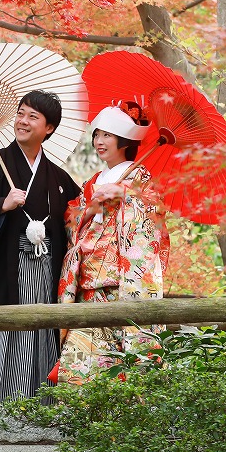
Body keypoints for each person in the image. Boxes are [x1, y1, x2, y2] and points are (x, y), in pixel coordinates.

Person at [0, 90, 82, 407]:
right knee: (6, 334)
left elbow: (76, 217)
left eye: (32, 117)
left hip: (45, 271)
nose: (22, 122)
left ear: (49, 128)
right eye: (21, 113)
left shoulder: (57, 177)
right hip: (6, 273)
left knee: (40, 331)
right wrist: (2, 203)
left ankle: (40, 410)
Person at [55, 104, 169, 382]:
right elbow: (72, 222)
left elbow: (154, 218)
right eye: (97, 135)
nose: (99, 142)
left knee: (129, 366)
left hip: (121, 283)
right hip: (88, 283)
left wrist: (126, 194)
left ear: (124, 141)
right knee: (79, 368)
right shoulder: (92, 181)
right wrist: (89, 210)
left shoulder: (140, 178)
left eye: (107, 135)